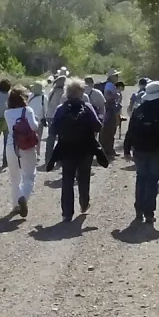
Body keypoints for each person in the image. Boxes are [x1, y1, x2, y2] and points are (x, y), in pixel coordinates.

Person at [46, 78, 105, 222]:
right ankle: (84, 203)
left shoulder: (61, 109)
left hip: (66, 149)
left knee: (67, 180)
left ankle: (67, 212)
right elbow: (98, 127)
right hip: (85, 150)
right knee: (84, 178)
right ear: (80, 92)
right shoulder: (88, 107)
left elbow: (53, 129)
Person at [123, 80, 159, 224]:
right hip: (158, 150)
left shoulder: (138, 110)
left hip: (140, 150)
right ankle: (149, 213)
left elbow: (131, 131)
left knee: (141, 178)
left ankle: (139, 210)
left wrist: (127, 149)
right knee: (153, 181)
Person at [3, 86, 41, 218]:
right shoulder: (27, 110)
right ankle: (23, 197)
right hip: (27, 146)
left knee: (14, 177)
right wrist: (35, 119)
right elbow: (34, 126)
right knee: (29, 176)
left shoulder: (7, 113)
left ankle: (15, 205)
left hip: (11, 146)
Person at [44, 72, 68, 165]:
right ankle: (59, 159)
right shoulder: (62, 92)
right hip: (59, 117)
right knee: (61, 138)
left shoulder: (52, 91)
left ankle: (48, 157)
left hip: (50, 116)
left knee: (51, 137)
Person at [100, 79, 124, 158]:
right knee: (109, 132)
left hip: (108, 112)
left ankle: (106, 150)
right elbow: (109, 97)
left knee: (107, 132)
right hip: (109, 113)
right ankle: (108, 150)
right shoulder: (109, 85)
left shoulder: (107, 85)